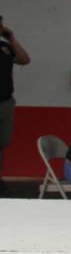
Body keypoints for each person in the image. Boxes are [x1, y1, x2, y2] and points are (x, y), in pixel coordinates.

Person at [0, 16, 31, 196]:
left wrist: (11, 38)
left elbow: (24, 59)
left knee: (2, 143)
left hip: (5, 101)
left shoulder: (5, 48)